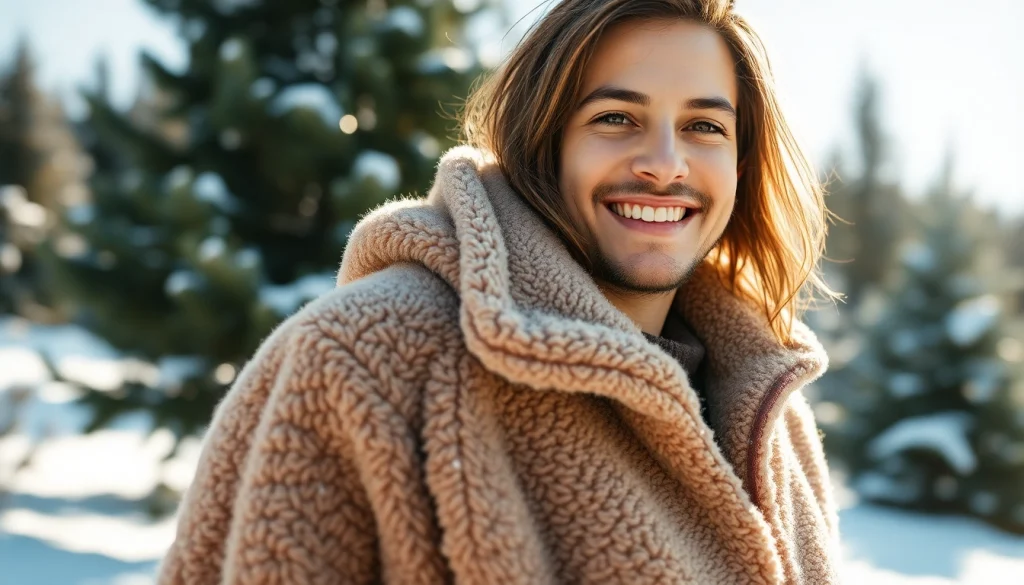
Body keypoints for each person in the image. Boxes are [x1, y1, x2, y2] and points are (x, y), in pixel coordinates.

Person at [158, 0, 842, 583]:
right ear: (542, 141)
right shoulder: (362, 358)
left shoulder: (772, 408)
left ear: (741, 161)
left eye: (704, 126)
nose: (665, 163)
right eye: (615, 118)